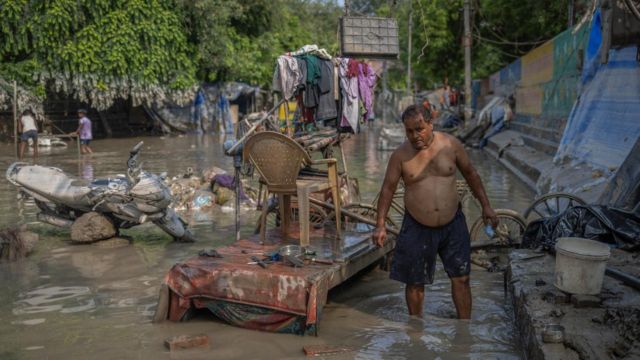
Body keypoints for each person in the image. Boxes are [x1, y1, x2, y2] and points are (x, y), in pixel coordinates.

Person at [373, 104, 498, 319]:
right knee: (414, 282)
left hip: (453, 223)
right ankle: (415, 332)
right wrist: (380, 224)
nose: (414, 136)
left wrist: (486, 206)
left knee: (462, 278)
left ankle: (464, 332)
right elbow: (387, 189)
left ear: (431, 124)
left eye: (419, 129)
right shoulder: (400, 155)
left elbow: (471, 175)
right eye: (409, 131)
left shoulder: (451, 144)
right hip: (416, 225)